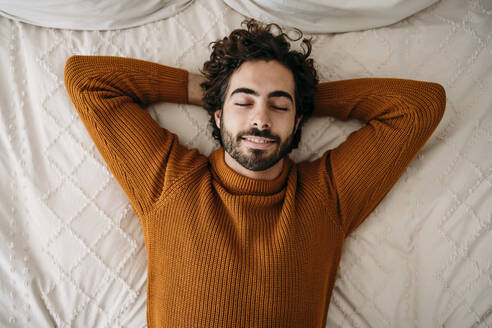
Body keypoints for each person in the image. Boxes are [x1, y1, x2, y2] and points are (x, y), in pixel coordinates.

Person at [64, 19, 446, 328]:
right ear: (217, 114)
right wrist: (215, 88)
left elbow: (419, 106)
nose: (261, 119)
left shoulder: (325, 196)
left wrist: (302, 95)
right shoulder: (172, 181)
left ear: (299, 123)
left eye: (278, 106)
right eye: (243, 102)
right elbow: (87, 79)